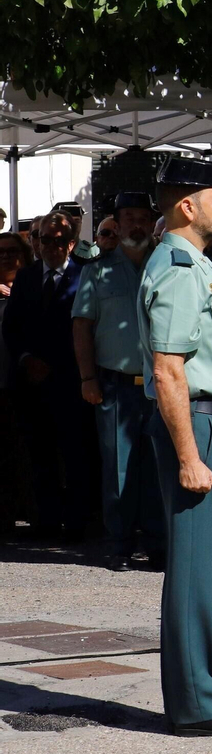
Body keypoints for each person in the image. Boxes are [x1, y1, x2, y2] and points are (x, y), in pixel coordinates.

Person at [139, 156, 212, 738]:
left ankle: (202, 692)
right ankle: (198, 703)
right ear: (188, 206)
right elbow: (167, 370)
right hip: (201, 428)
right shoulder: (182, 267)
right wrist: (189, 455)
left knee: (208, 570)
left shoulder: (199, 264)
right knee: (197, 571)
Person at [72, 193, 165, 571]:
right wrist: (87, 377)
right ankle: (120, 544)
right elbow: (82, 325)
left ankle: (159, 543)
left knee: (160, 465)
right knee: (119, 466)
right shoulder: (98, 268)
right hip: (115, 383)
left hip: (161, 385)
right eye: (128, 218)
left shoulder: (165, 265)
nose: (136, 225)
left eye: (143, 218)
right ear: (118, 223)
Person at [1, 212, 96, 540]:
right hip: (31, 384)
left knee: (75, 454)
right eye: (44, 240)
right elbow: (11, 327)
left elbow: (87, 328)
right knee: (38, 455)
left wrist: (62, 366)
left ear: (70, 244)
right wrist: (27, 359)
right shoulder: (26, 278)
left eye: (58, 240)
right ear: (36, 243)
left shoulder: (85, 276)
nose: (50, 247)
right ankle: (46, 521)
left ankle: (78, 523)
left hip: (70, 382)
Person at [0, 231, 35, 535]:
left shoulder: (35, 288)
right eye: (1, 253)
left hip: (28, 384)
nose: (7, 257)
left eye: (13, 252)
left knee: (26, 452)